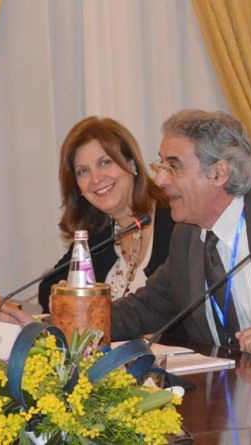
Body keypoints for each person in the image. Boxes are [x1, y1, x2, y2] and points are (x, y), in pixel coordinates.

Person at [5, 109, 251, 379]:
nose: (160, 180)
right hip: (243, 397)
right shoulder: (189, 237)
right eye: (160, 165)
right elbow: (143, 309)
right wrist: (50, 327)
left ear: (219, 173)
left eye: (173, 166)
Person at [37, 116, 175, 314]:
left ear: (132, 164)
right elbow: (48, 288)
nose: (96, 179)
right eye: (83, 171)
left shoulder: (174, 222)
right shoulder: (98, 234)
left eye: (105, 163)